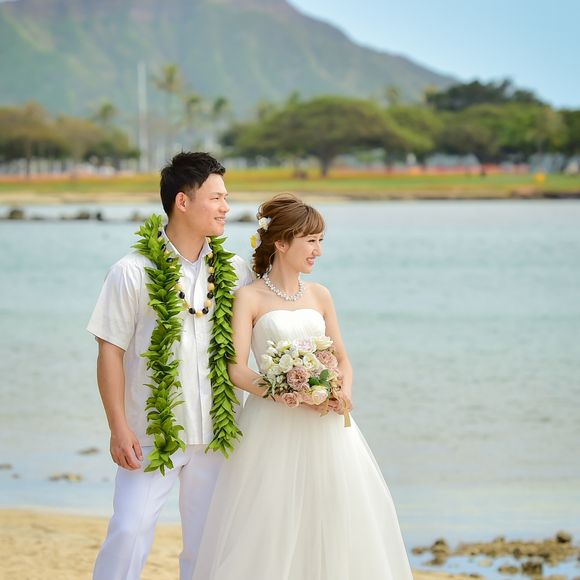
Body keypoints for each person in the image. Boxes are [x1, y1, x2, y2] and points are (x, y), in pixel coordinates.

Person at [192, 193, 413, 580]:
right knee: (270, 521)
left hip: (327, 424)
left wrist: (342, 391)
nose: (318, 251)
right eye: (311, 241)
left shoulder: (320, 294)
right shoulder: (248, 297)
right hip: (271, 426)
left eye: (321, 240)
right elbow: (236, 369)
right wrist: (284, 391)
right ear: (281, 243)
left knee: (334, 517)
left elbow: (342, 358)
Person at [87, 152, 254, 580]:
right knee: (129, 530)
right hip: (151, 432)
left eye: (226, 198)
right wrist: (118, 427)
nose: (226, 207)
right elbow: (110, 351)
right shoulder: (131, 272)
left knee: (207, 545)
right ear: (183, 201)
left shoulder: (235, 271)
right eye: (216, 198)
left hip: (217, 432)